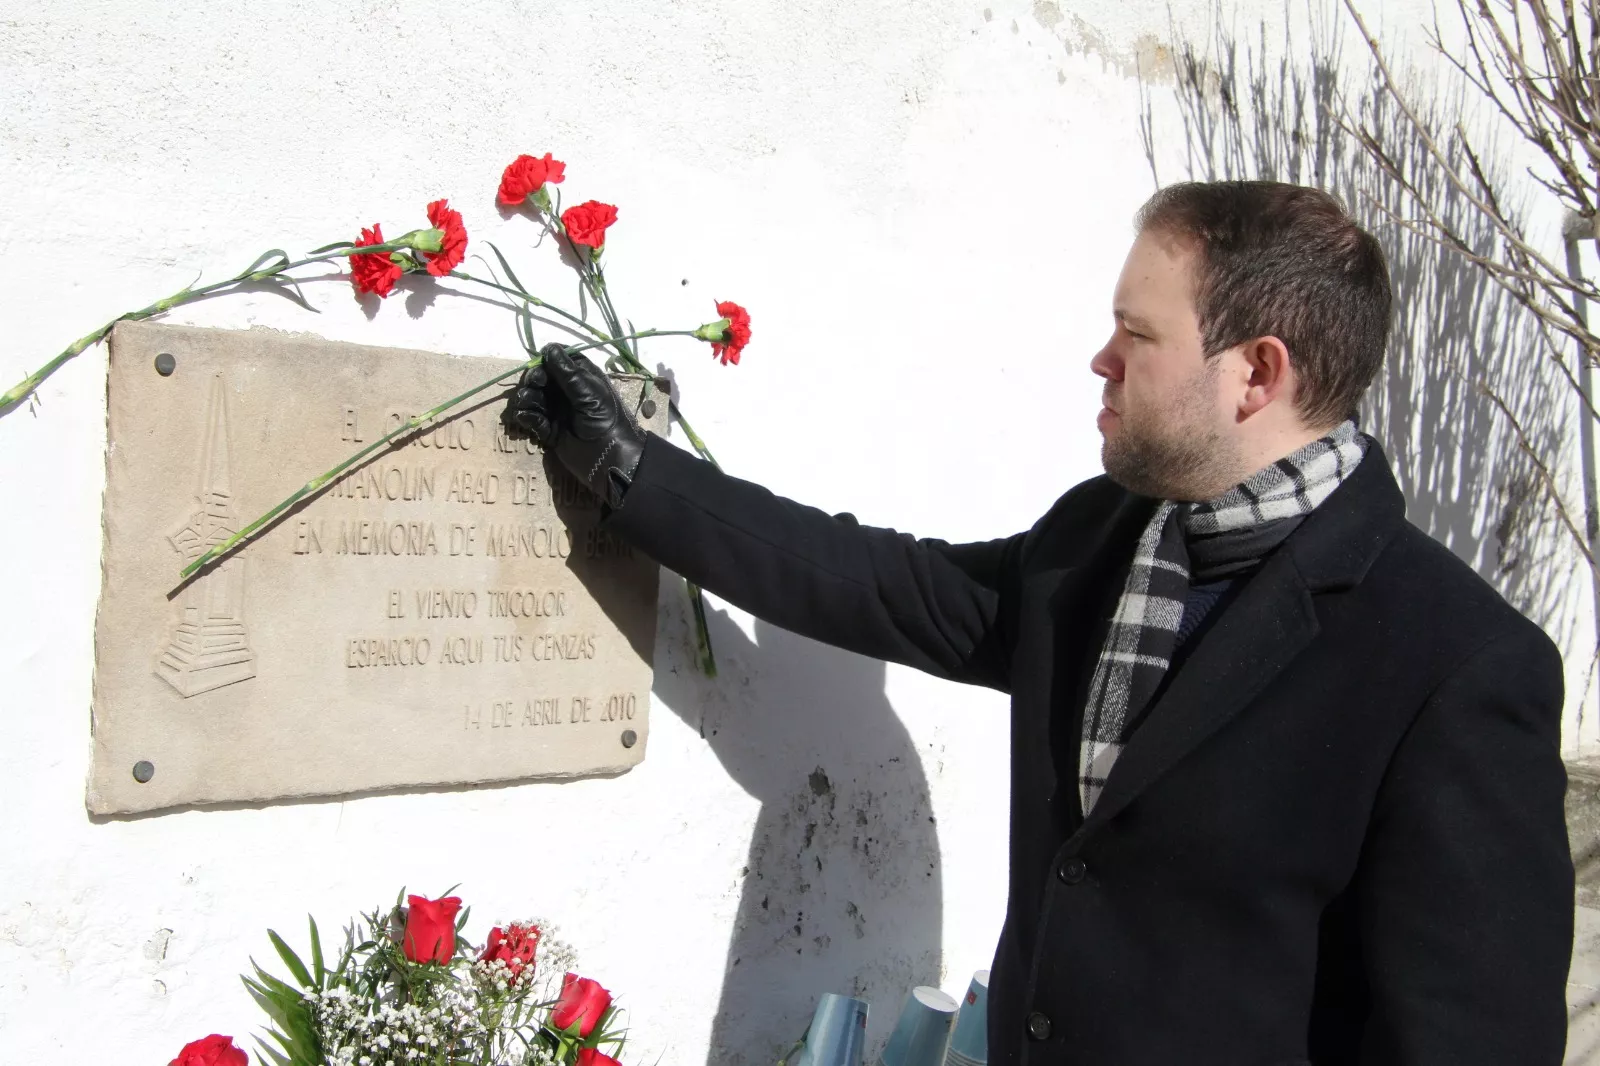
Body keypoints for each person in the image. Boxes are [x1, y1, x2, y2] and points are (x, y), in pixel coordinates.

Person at [504, 180, 1574, 1065]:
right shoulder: (1105, 536)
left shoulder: (1456, 667)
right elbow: (883, 584)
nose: (1101, 360)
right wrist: (630, 471)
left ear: (1256, 371)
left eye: (1136, 334)